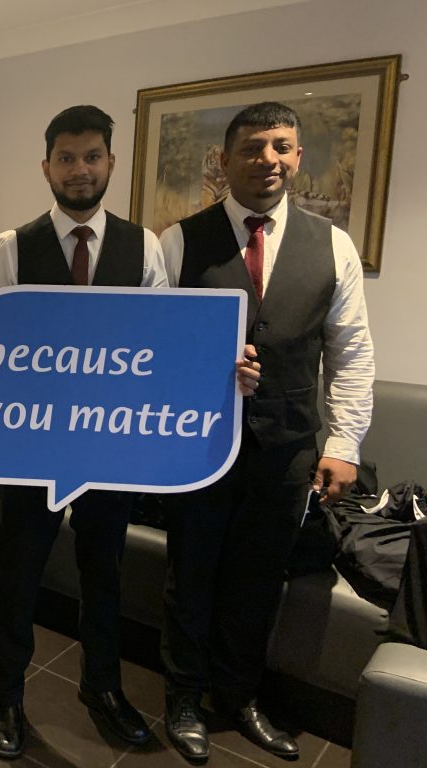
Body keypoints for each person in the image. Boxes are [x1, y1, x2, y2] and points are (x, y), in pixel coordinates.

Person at [159, 102, 374, 764]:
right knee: (190, 572)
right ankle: (184, 696)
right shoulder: (177, 242)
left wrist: (344, 445)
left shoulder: (332, 244)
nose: (268, 159)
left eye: (281, 146)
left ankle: (239, 694)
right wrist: (204, 368)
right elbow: (152, 349)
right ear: (224, 161)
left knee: (257, 578)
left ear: (298, 157)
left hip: (286, 449)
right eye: (253, 148)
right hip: (197, 442)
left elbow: (351, 353)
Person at [0, 105, 168, 758]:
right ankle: (7, 694)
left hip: (110, 444)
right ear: (46, 167)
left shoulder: (145, 246)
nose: (80, 169)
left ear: (111, 163)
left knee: (104, 573)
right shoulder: (12, 246)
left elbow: (159, 347)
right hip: (32, 447)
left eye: (92, 157)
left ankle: (103, 686)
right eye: (66, 158)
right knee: (18, 575)